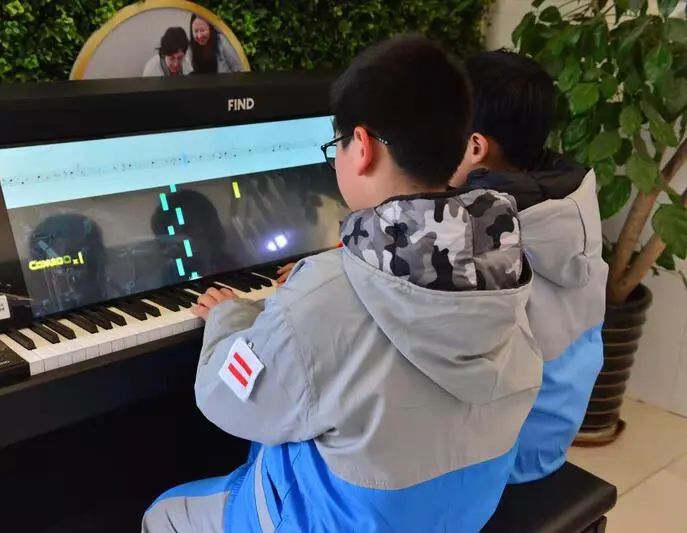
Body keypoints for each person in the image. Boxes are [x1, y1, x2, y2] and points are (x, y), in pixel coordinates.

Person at [141, 36, 542, 532]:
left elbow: (227, 398)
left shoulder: (323, 294)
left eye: (337, 147)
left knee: (163, 512)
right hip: (461, 514)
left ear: (363, 147)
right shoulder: (505, 263)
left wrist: (231, 317)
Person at [450, 50, 607, 483]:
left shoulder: (479, 227)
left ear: (475, 146)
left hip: (495, 464)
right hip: (549, 442)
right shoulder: (570, 200)